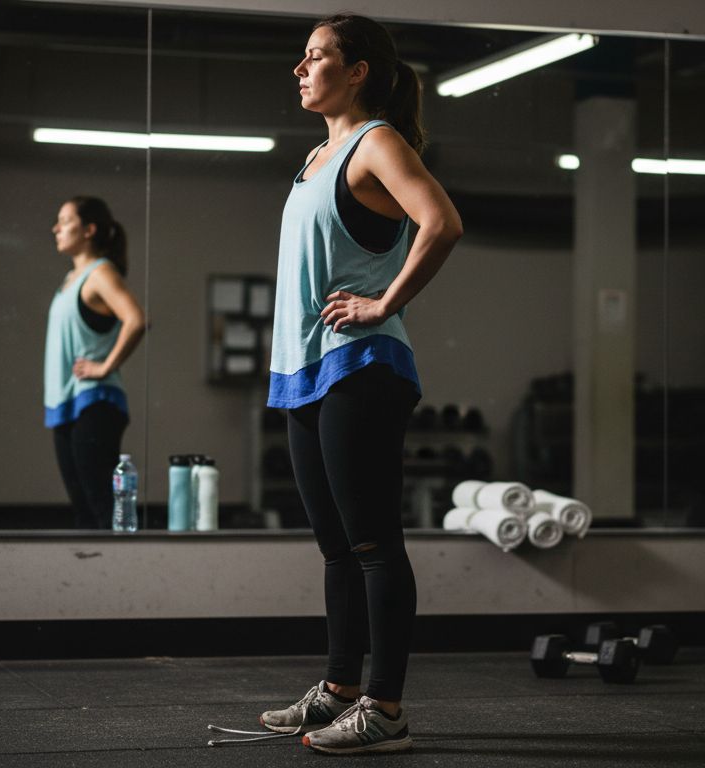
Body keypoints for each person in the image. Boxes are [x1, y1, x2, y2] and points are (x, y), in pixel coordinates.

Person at [261, 12, 462, 756]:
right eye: (303, 57)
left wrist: (384, 304)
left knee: (375, 544)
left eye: (316, 57)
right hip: (306, 374)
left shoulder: (377, 142)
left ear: (358, 71)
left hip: (362, 368)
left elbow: (440, 222)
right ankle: (340, 689)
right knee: (337, 550)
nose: (300, 68)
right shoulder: (318, 154)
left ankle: (386, 708)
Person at [43, 196, 146, 529]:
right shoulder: (69, 281)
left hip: (95, 402)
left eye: (65, 220)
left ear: (89, 230)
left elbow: (135, 320)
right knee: (84, 513)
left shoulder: (100, 273)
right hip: (66, 404)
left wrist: (104, 367)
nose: (56, 228)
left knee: (102, 509)